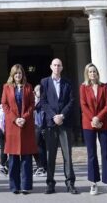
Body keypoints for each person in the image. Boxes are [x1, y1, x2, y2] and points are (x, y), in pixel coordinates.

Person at [39, 57, 78, 194]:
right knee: (51, 156)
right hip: (51, 124)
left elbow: (72, 101)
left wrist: (62, 115)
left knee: (68, 155)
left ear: (61, 68)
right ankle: (50, 183)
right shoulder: (44, 82)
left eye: (59, 65)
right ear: (51, 67)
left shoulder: (67, 82)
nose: (56, 67)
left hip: (65, 122)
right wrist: (53, 116)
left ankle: (70, 183)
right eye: (54, 65)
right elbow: (43, 102)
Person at [2, 63, 37, 195]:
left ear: (23, 75)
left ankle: (26, 186)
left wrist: (24, 118)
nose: (18, 75)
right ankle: (14, 186)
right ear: (12, 75)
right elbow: (5, 105)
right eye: (16, 73)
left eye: (20, 73)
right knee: (13, 159)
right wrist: (15, 119)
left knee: (27, 158)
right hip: (13, 126)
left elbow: (32, 104)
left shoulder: (28, 87)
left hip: (26, 125)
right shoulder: (6, 87)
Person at [81, 62, 107, 196]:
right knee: (91, 154)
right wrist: (93, 119)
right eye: (90, 72)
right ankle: (93, 182)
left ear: (97, 73)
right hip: (89, 124)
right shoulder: (83, 87)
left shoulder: (104, 86)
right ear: (87, 74)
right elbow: (83, 105)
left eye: (94, 71)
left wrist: (98, 118)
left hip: (103, 124)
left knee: (106, 153)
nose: (92, 74)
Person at [32, 84, 47, 177]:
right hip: (36, 126)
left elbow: (35, 108)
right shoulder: (36, 100)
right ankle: (42, 166)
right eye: (37, 90)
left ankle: (41, 166)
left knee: (38, 148)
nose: (39, 92)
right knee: (40, 147)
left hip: (40, 126)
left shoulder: (42, 101)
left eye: (40, 90)